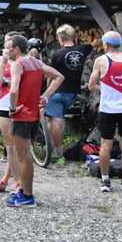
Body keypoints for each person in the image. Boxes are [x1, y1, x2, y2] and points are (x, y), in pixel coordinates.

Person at [5, 35, 64, 208]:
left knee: (23, 157)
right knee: (25, 155)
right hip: (34, 114)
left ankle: (27, 196)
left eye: (8, 47)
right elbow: (59, 76)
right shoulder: (36, 62)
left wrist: (12, 107)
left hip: (21, 114)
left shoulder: (18, 64)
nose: (6, 51)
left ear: (16, 49)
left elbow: (14, 90)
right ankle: (23, 189)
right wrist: (46, 96)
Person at [87, 31, 122, 194]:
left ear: (105, 45)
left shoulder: (101, 60)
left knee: (106, 143)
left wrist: (105, 89)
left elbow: (91, 85)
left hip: (107, 109)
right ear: (119, 44)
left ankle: (105, 180)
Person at [45, 25, 92, 165]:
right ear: (74, 37)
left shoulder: (57, 54)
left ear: (60, 38)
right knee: (56, 119)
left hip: (58, 91)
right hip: (72, 93)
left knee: (55, 120)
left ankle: (58, 154)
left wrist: (47, 92)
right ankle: (52, 148)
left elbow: (52, 75)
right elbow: (93, 45)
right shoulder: (83, 49)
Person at [0, 33, 20, 193]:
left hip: (18, 104)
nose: (6, 50)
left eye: (9, 47)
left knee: (14, 146)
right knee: (9, 145)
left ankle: (16, 182)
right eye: (5, 47)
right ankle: (7, 181)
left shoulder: (22, 61)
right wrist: (4, 62)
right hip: (3, 103)